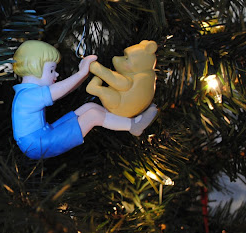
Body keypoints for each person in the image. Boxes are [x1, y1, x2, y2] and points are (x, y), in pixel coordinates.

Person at [12, 40, 158, 159]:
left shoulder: (28, 92)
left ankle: (119, 118)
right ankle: (133, 125)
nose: (56, 74)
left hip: (43, 135)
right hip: (37, 145)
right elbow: (60, 90)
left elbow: (64, 91)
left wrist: (83, 75)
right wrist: (81, 73)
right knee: (93, 116)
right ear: (34, 67)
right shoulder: (27, 96)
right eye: (51, 70)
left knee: (89, 107)